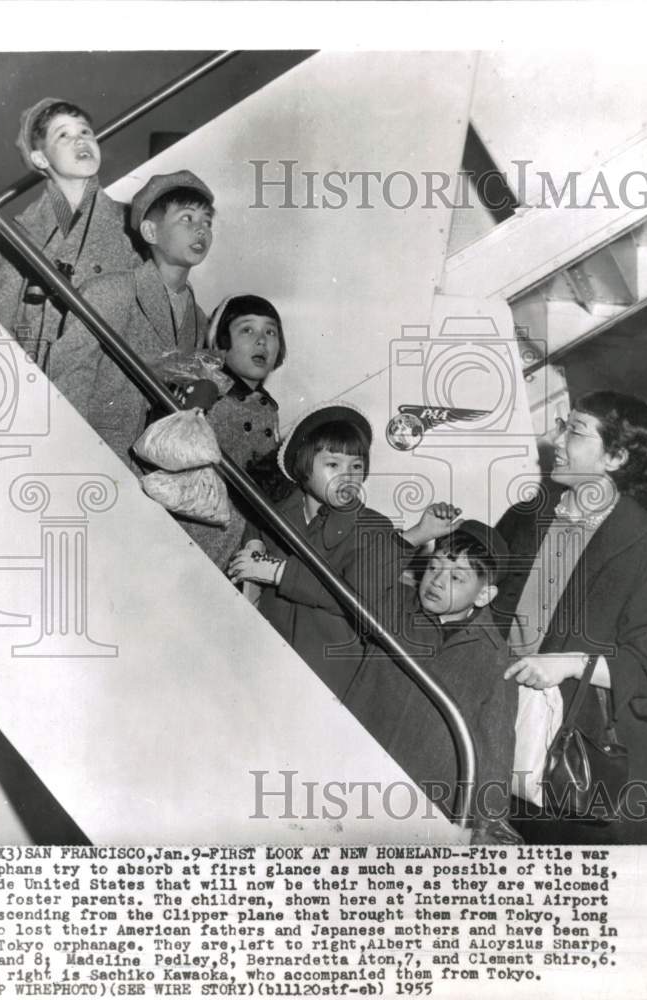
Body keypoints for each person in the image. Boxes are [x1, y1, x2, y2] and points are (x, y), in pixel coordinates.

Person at [495, 391, 647, 844]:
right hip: (494, 726)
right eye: (562, 426)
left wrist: (570, 663)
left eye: (574, 431)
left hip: (570, 761)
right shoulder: (524, 517)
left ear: (616, 456)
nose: (556, 440)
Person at [344, 516, 519, 838]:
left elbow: (497, 751)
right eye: (435, 567)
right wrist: (413, 536)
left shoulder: (495, 658)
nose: (437, 581)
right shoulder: (394, 606)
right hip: (351, 773)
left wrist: (485, 826)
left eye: (457, 577)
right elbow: (354, 582)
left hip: (420, 806)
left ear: (484, 595)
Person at [227, 403, 399, 699]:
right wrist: (253, 542)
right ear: (303, 467)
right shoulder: (277, 510)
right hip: (262, 660)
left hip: (321, 677)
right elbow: (257, 530)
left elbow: (358, 602)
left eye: (356, 467)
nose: (348, 476)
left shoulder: (374, 528)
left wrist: (280, 572)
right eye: (333, 465)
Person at [47, 170, 213, 463]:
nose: (201, 230)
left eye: (207, 222)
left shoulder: (198, 319)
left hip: (151, 470)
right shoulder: (109, 291)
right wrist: (71, 456)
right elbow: (69, 381)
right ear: (150, 232)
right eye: (187, 218)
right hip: (98, 456)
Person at [0, 98, 139, 367]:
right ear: (40, 158)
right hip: (39, 374)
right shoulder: (18, 232)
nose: (80, 141)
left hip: (110, 374)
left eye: (85, 131)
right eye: (63, 134)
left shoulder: (132, 221)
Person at [185, 295, 285, 571]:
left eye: (271, 331)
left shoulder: (268, 410)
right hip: (189, 532)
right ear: (221, 342)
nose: (262, 340)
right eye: (247, 330)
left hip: (232, 543)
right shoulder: (206, 390)